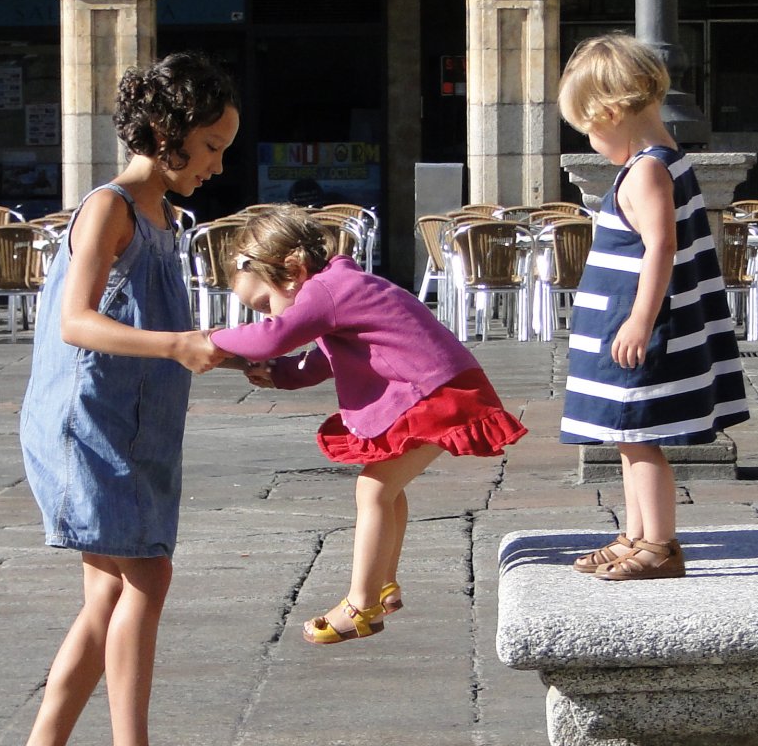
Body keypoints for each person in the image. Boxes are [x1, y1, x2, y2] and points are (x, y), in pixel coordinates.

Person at [10, 52, 238, 746]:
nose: (217, 164)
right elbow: (76, 321)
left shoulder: (165, 220)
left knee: (109, 592)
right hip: (89, 424)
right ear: (169, 135)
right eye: (211, 146)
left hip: (134, 426)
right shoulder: (109, 209)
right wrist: (178, 345)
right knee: (146, 572)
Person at [208, 206, 527, 644]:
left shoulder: (328, 291)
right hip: (435, 389)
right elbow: (326, 357)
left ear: (292, 270)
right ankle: (381, 585)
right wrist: (283, 375)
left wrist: (205, 340)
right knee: (385, 489)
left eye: (264, 305)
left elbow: (274, 338)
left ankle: (361, 604)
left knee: (373, 489)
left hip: (435, 394)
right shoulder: (336, 287)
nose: (267, 317)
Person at [555, 33, 748, 581]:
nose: (591, 141)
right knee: (627, 436)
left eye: (590, 128)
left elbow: (661, 245)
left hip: (633, 327)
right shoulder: (666, 163)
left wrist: (639, 320)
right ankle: (636, 535)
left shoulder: (646, 170)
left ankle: (659, 544)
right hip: (624, 326)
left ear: (612, 112)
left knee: (639, 440)